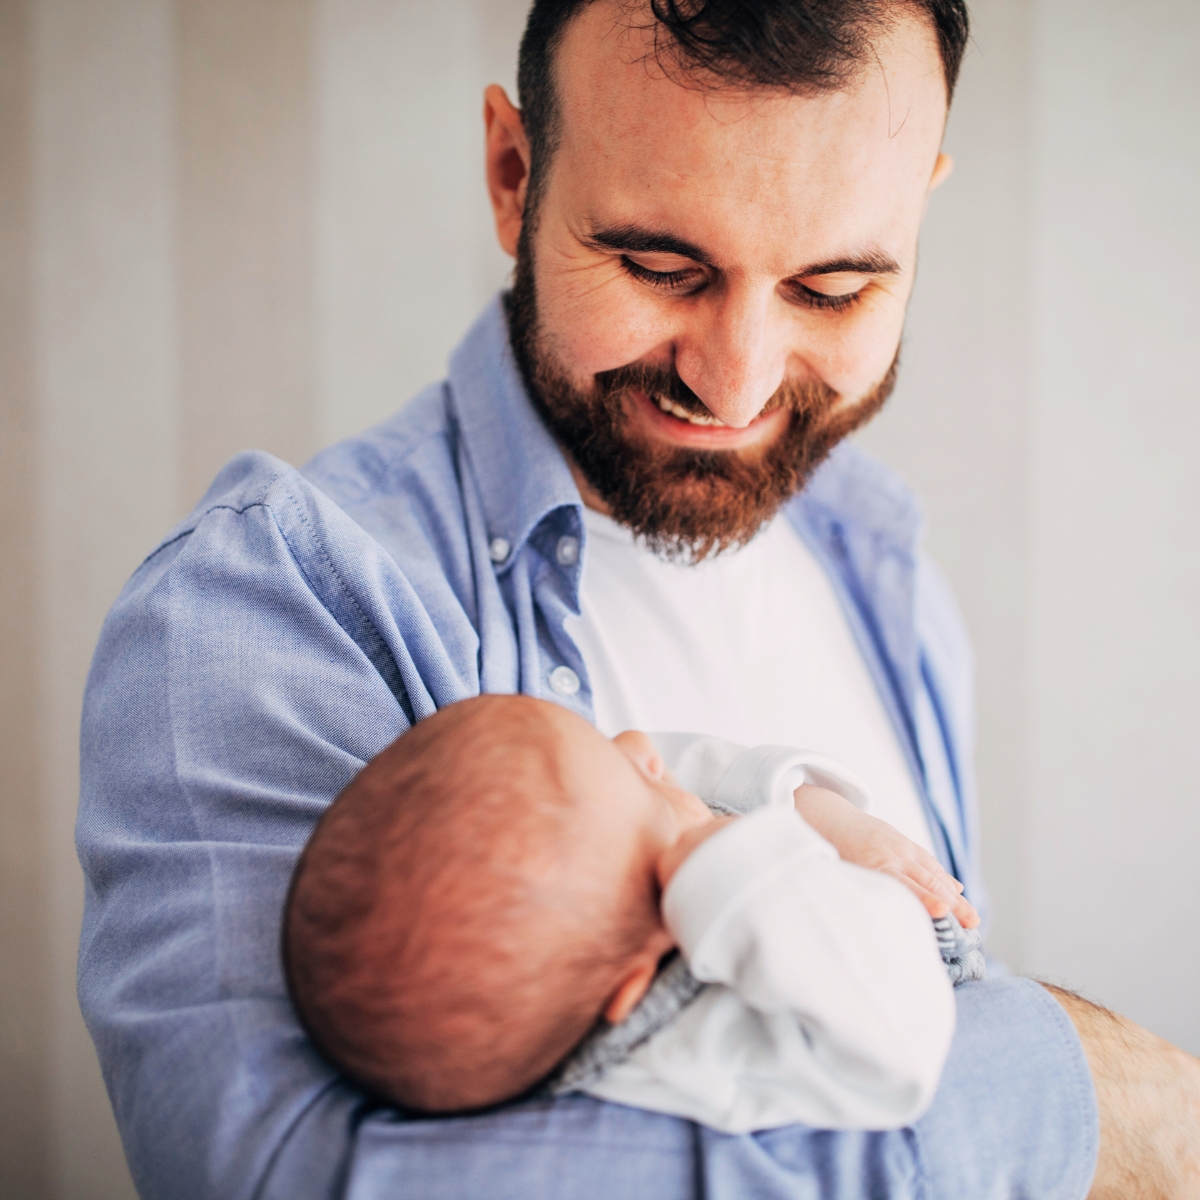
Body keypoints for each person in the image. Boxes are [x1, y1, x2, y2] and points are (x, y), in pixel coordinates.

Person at [77, 2, 1200, 1198]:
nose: (737, 381)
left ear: (918, 205)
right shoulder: (268, 607)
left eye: (831, 290)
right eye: (662, 268)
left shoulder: (888, 574)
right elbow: (288, 1180)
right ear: (515, 175)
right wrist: (1073, 1095)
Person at [283, 694, 977, 1132]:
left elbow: (677, 778)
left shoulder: (602, 916)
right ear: (632, 990)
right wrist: (741, 864)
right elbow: (903, 1049)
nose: (641, 747)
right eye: (641, 782)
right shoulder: (685, 1050)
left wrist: (817, 812)